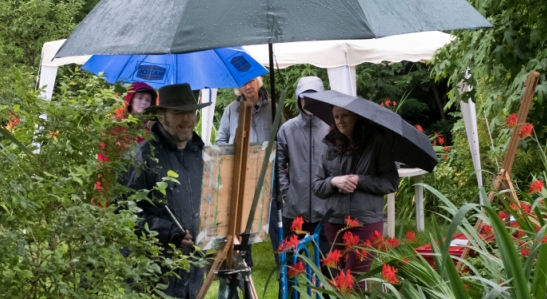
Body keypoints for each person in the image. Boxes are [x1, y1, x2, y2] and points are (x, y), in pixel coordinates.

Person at [123, 83, 210, 298]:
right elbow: (123, 215)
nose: (187, 119)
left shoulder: (203, 156)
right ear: (162, 116)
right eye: (179, 113)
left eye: (191, 112)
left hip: (195, 274)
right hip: (155, 275)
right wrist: (168, 232)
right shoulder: (141, 158)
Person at [311, 104, 399, 292]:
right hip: (335, 221)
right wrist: (334, 181)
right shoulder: (330, 145)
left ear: (357, 117)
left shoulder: (376, 143)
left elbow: (391, 182)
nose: (340, 121)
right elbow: (316, 186)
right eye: (336, 117)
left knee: (354, 278)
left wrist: (360, 180)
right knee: (342, 277)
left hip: (365, 221)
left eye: (345, 116)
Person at [214, 76, 279, 265]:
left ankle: (283, 263)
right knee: (242, 220)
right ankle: (244, 263)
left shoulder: (273, 109)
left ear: (258, 82)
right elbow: (220, 142)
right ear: (238, 88)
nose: (247, 86)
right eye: (242, 83)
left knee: (274, 218)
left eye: (250, 81)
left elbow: (283, 139)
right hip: (243, 173)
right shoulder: (230, 111)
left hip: (269, 173)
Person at [277, 76, 330, 259]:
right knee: (290, 265)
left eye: (314, 98)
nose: (308, 102)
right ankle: (290, 290)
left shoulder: (331, 129)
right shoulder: (287, 129)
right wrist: (287, 194)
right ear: (298, 98)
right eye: (304, 97)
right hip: (294, 210)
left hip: (324, 210)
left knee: (327, 266)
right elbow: (278, 164)